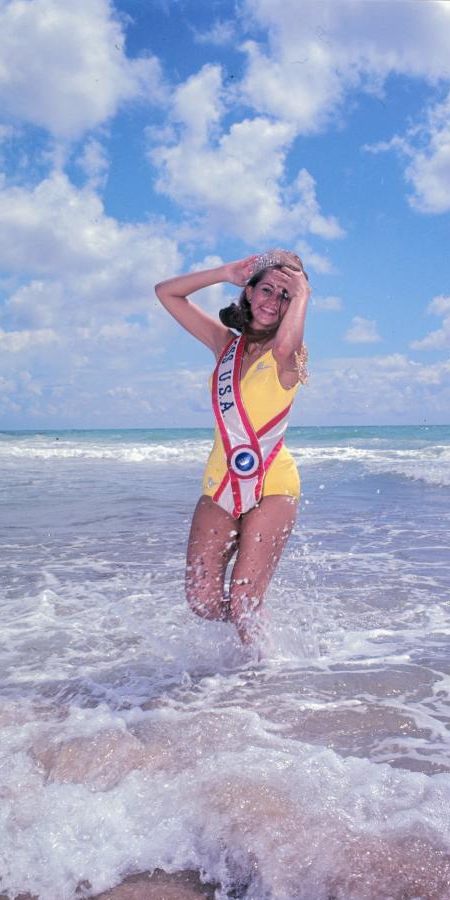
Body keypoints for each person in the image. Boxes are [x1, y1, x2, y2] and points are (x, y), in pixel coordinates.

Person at [155, 250, 310, 647]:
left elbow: (285, 344)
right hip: (220, 481)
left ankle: (259, 677)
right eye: (267, 289)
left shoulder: (290, 357)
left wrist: (303, 292)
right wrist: (225, 272)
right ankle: (259, 625)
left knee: (243, 597)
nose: (272, 302)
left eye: (285, 296)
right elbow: (166, 293)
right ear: (249, 292)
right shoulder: (225, 345)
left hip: (273, 482)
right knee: (202, 601)